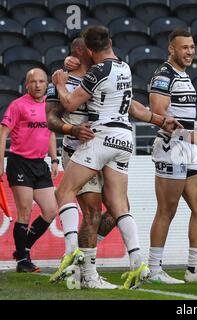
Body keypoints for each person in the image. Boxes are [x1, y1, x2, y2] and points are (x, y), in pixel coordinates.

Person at [51, 26, 181, 289]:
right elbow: (51, 117)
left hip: (99, 139)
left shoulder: (95, 72)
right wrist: (159, 120)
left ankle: (74, 251)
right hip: (115, 140)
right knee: (109, 208)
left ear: (87, 51)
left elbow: (70, 105)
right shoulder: (123, 67)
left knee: (75, 196)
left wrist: (59, 84)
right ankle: (131, 263)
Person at [147, 29, 197, 284]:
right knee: (166, 211)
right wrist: (185, 135)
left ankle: (194, 268)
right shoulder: (163, 75)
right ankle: (155, 270)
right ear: (171, 49)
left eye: (192, 47)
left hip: (188, 149)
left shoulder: (184, 76)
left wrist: (190, 136)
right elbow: (158, 114)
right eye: (184, 48)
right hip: (172, 147)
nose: (190, 52)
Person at [46, 37, 117, 288]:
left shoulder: (100, 76)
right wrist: (73, 130)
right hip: (77, 152)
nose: (96, 52)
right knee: (92, 212)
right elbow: (51, 119)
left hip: (104, 150)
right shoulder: (61, 79)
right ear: (80, 51)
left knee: (119, 211)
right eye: (91, 49)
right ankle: (88, 273)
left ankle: (76, 257)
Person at [0, 68, 59, 273]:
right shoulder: (17, 105)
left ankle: (22, 250)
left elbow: (50, 132)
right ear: (27, 84)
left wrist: (54, 159)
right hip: (20, 163)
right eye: (33, 81)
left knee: (51, 211)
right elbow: (3, 134)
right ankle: (22, 261)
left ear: (46, 84)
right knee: (24, 211)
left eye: (42, 81)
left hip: (40, 164)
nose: (37, 85)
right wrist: (0, 164)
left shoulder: (50, 106)